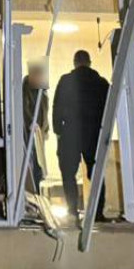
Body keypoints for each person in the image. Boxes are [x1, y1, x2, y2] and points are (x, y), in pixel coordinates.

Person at [53, 50, 110, 223]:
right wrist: (105, 132)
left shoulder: (66, 81)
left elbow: (57, 107)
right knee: (96, 173)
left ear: (75, 62)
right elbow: (108, 109)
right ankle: (98, 212)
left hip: (71, 131)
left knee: (68, 173)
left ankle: (72, 210)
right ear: (89, 62)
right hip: (94, 132)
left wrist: (58, 130)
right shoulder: (101, 83)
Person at [20, 62, 50, 193]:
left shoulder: (42, 93)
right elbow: (25, 108)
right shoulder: (26, 89)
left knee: (37, 166)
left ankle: (36, 192)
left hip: (37, 133)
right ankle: (32, 192)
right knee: (32, 164)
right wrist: (31, 122)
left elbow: (44, 112)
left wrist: (45, 129)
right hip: (29, 132)